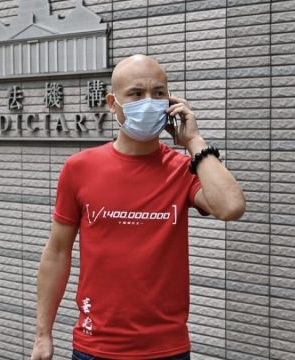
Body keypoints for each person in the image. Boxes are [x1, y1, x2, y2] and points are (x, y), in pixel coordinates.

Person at [30, 54, 245, 360]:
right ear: (112, 102)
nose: (149, 101)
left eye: (158, 93)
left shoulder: (183, 170)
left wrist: (194, 141)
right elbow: (57, 252)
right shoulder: (79, 168)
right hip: (95, 348)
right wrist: (43, 334)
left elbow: (231, 207)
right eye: (136, 93)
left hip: (166, 350)